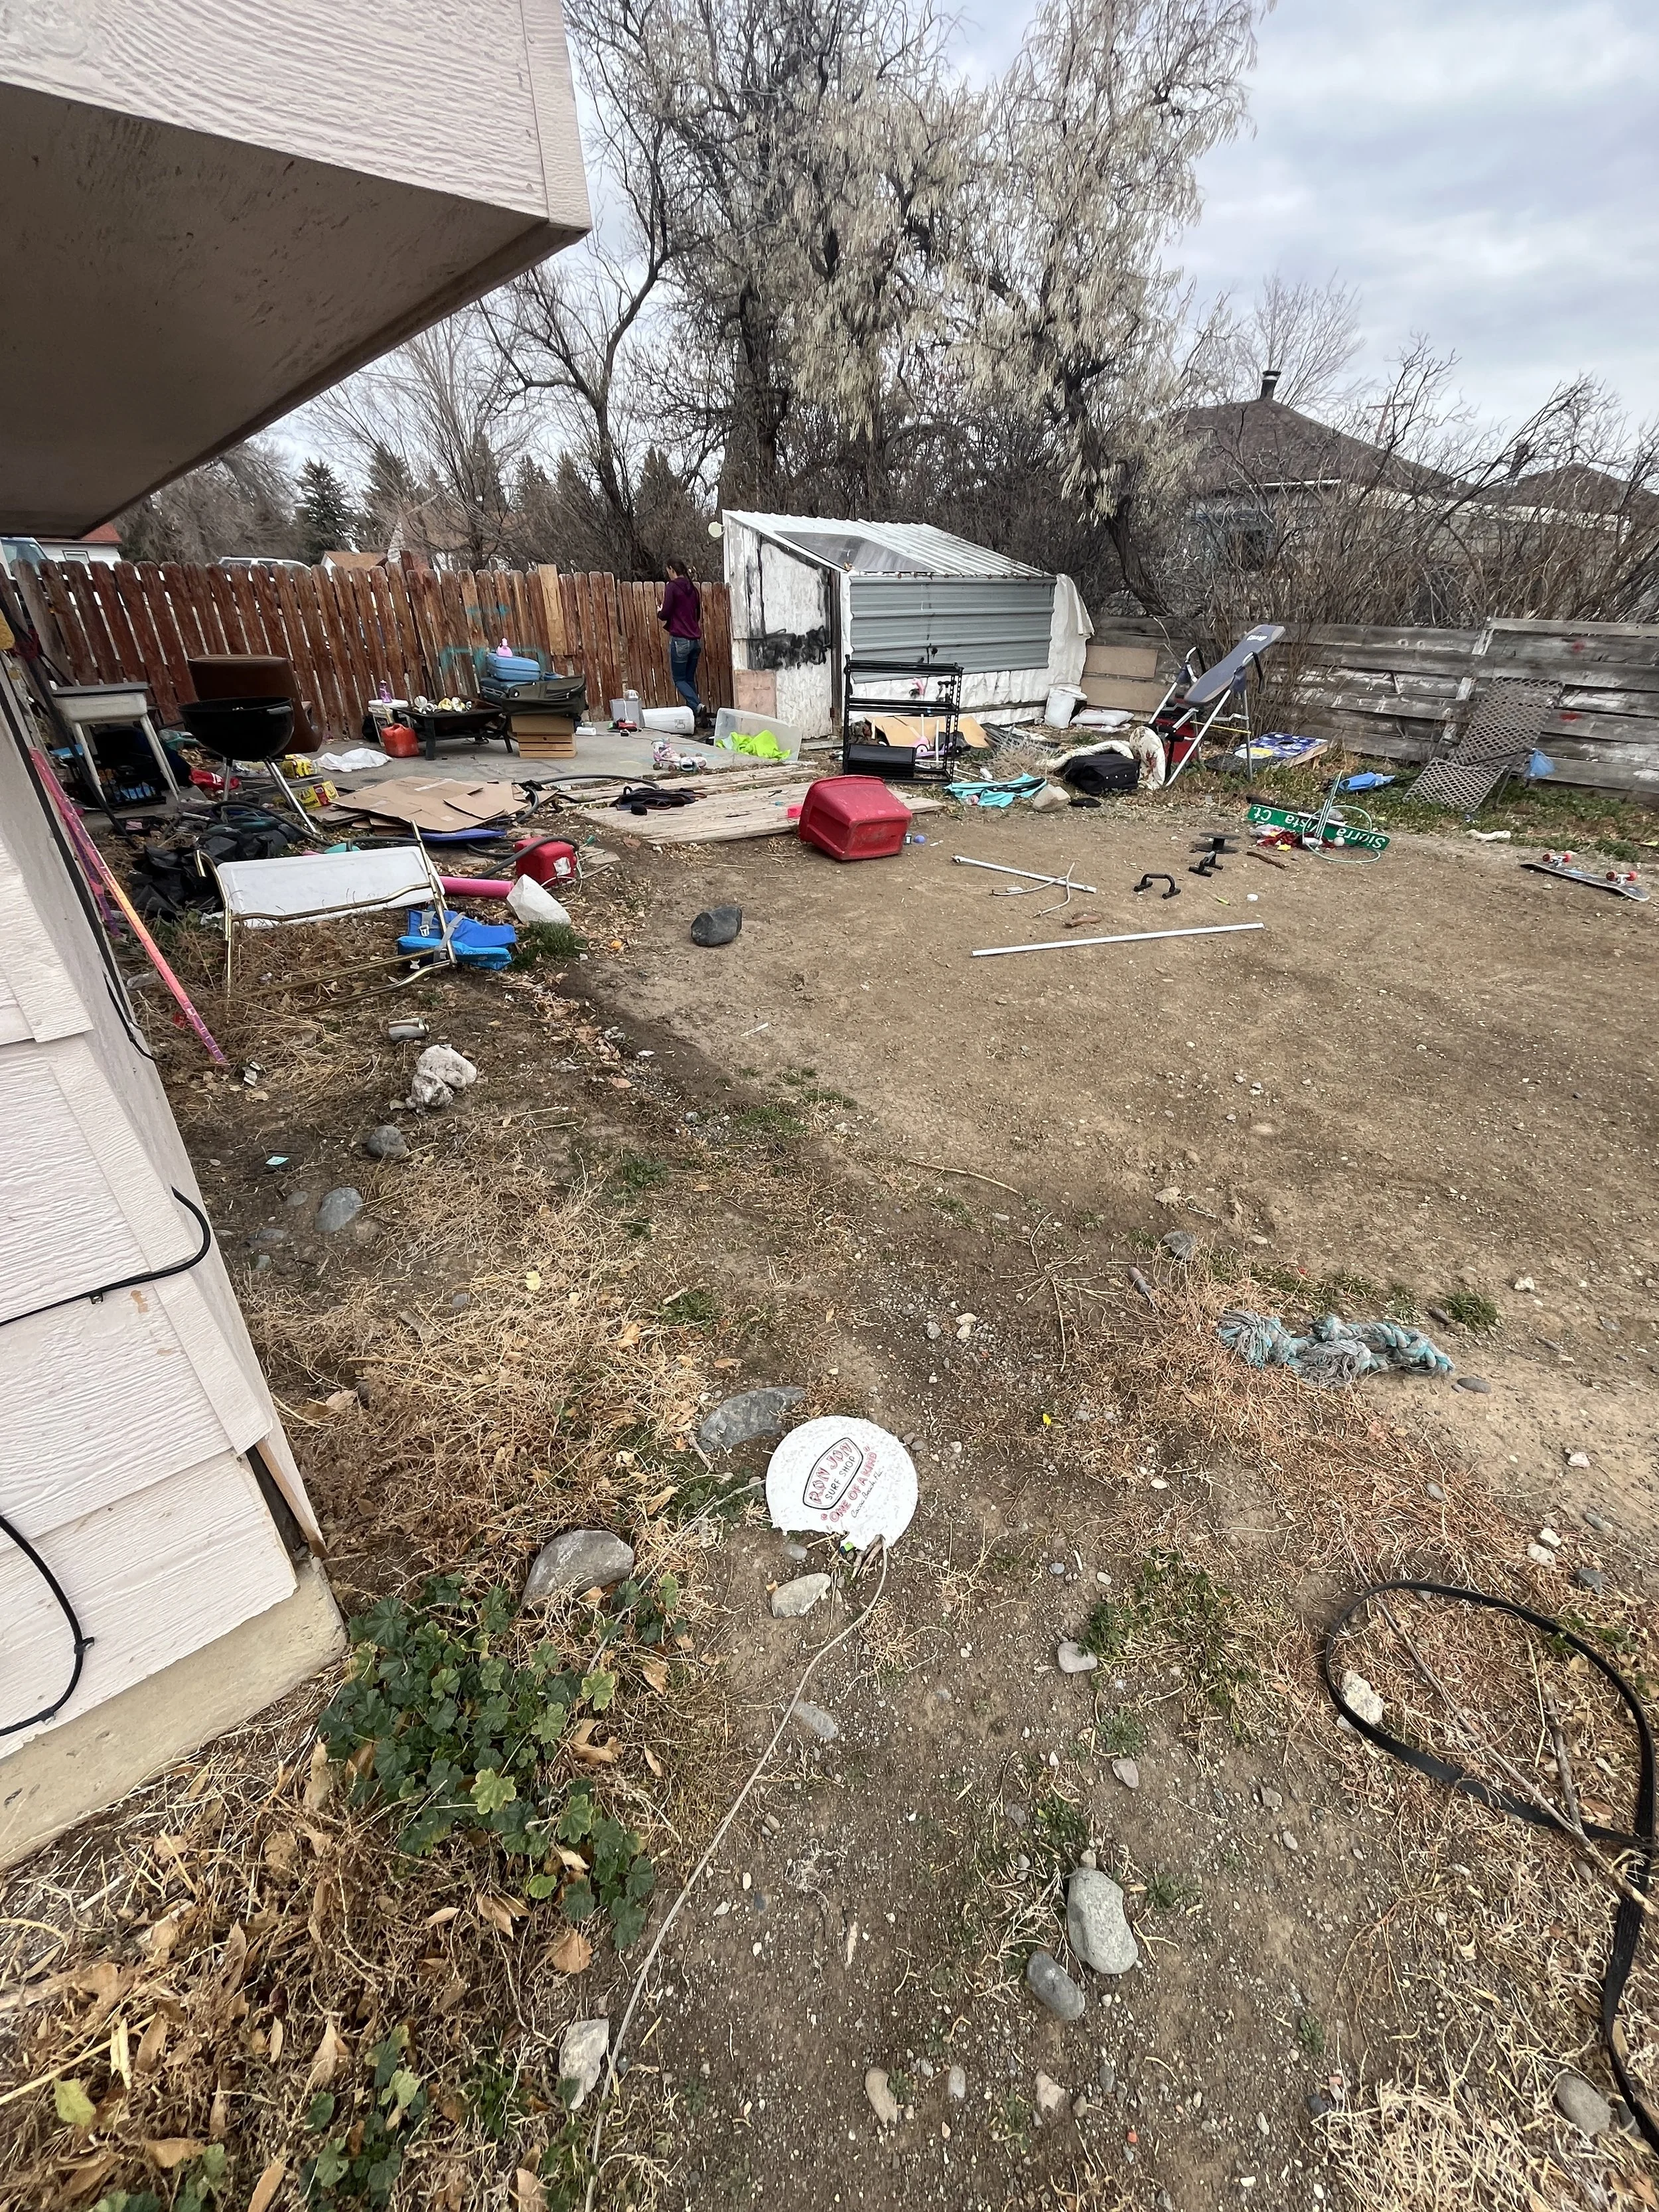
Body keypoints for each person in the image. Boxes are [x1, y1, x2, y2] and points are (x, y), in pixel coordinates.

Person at [658, 558, 707, 724]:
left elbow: (665, 613)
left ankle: (698, 706)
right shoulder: (693, 589)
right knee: (689, 679)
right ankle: (696, 717)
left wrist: (659, 612)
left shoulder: (672, 587)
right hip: (695, 641)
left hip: (680, 640)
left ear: (672, 569)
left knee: (679, 680)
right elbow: (697, 615)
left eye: (668, 571)